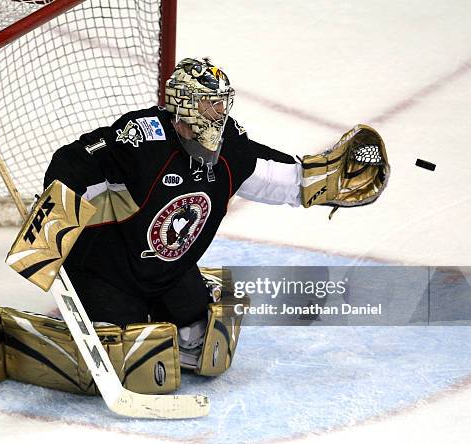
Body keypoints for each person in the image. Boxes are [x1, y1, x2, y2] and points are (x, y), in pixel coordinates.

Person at [42, 57, 303, 329]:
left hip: (167, 273)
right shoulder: (143, 139)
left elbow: (270, 173)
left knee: (199, 332)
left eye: (221, 102)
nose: (220, 111)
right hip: (106, 270)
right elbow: (76, 162)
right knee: (127, 345)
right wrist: (53, 215)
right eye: (210, 102)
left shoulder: (231, 146)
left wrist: (318, 181)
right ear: (184, 102)